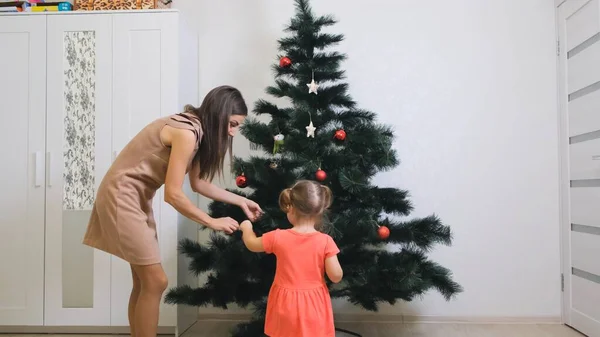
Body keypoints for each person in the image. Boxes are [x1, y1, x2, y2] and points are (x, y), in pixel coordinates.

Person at [82, 85, 263, 337]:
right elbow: (173, 194)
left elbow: (198, 183)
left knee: (145, 282)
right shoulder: (186, 133)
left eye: (236, 127)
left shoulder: (197, 132)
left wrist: (240, 201)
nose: (232, 133)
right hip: (121, 197)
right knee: (156, 281)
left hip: (136, 198)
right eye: (231, 124)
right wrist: (212, 221)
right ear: (218, 114)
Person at [240, 180, 343, 337]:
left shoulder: (278, 237)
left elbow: (252, 244)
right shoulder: (325, 241)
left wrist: (246, 227)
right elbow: (336, 277)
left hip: (285, 304)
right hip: (314, 304)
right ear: (319, 210)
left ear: (291, 208)